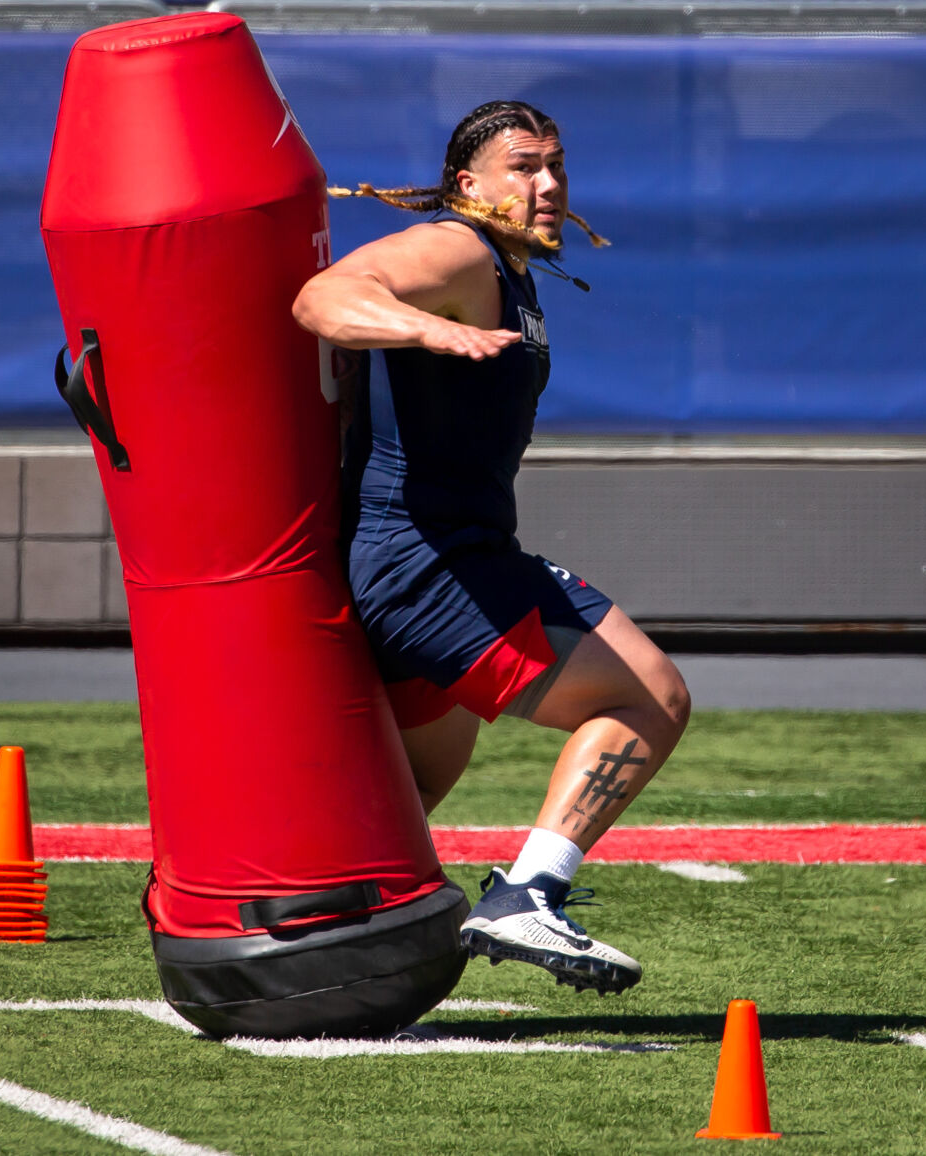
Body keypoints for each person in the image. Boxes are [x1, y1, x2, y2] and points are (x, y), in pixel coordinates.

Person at [292, 100, 690, 995]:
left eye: (556, 167)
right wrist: (430, 328)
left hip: (431, 559)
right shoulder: (460, 250)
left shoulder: (511, 273)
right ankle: (531, 894)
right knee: (652, 696)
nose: (546, 186)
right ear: (468, 185)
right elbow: (324, 297)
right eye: (523, 167)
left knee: (406, 802)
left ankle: (299, 944)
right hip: (430, 566)